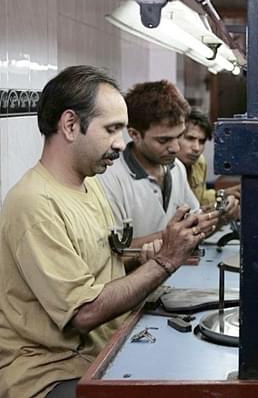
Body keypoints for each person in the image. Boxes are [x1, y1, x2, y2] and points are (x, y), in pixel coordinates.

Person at [0, 66, 212, 398]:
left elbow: (109, 257)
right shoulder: (34, 204)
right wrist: (165, 261)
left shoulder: (88, 186)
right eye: (112, 130)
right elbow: (83, 314)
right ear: (70, 125)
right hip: (51, 374)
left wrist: (169, 242)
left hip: (101, 351)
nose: (119, 143)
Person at [98, 80, 223, 248]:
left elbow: (193, 224)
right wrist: (171, 236)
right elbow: (111, 252)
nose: (175, 147)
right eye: (164, 140)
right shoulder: (110, 177)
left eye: (179, 136)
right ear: (134, 134)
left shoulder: (176, 168)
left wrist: (219, 218)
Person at [176, 109, 240, 213]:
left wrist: (223, 194)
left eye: (201, 141)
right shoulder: (166, 168)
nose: (196, 148)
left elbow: (200, 198)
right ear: (175, 137)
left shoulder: (199, 163)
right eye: (190, 138)